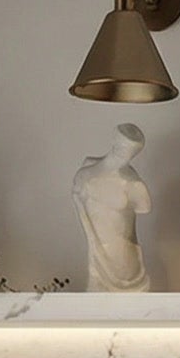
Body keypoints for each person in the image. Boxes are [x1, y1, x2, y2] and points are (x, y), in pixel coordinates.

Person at [72, 122, 152, 292]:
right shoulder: (87, 167)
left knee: (128, 308)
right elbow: (79, 194)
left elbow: (144, 207)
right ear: (114, 141)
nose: (122, 154)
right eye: (120, 147)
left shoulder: (134, 184)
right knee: (96, 304)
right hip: (97, 251)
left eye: (128, 152)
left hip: (122, 256)